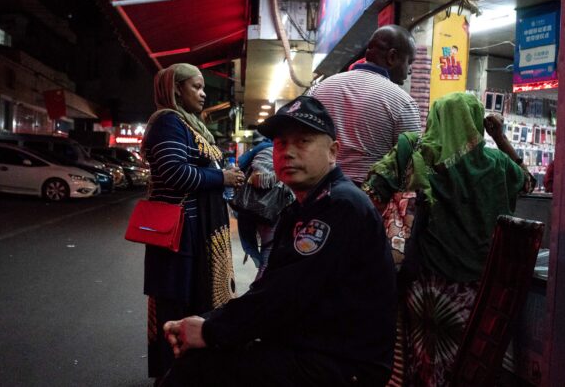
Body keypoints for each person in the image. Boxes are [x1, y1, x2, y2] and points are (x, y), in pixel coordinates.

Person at [160, 95, 397, 387]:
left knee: (198, 370)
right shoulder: (303, 206)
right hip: (310, 343)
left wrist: (210, 330)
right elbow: (269, 288)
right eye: (281, 143)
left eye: (303, 141)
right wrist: (207, 321)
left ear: (333, 152)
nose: (288, 152)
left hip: (343, 363)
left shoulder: (340, 205)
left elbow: (285, 295)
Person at [363, 92, 534, 386]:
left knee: (420, 361)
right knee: (462, 363)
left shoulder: (418, 155)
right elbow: (528, 181)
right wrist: (500, 138)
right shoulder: (497, 164)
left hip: (423, 282)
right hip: (475, 290)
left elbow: (371, 192)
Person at [141, 63, 245, 383]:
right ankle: (174, 375)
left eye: (203, 88)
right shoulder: (168, 122)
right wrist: (221, 177)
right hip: (179, 237)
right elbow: (174, 173)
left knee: (195, 304)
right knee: (177, 307)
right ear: (175, 90)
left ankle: (192, 372)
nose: (202, 94)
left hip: (195, 234)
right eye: (195, 87)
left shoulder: (192, 125)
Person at [308, 24, 422, 185]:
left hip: (318, 195)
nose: (410, 70)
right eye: (409, 62)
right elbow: (413, 166)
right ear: (392, 57)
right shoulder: (402, 102)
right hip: (369, 202)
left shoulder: (318, 89)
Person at [234, 131, 274, 269]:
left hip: (255, 202)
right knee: (270, 248)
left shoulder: (262, 146)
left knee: (245, 223)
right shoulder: (287, 148)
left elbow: (241, 163)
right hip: (279, 205)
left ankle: (253, 254)